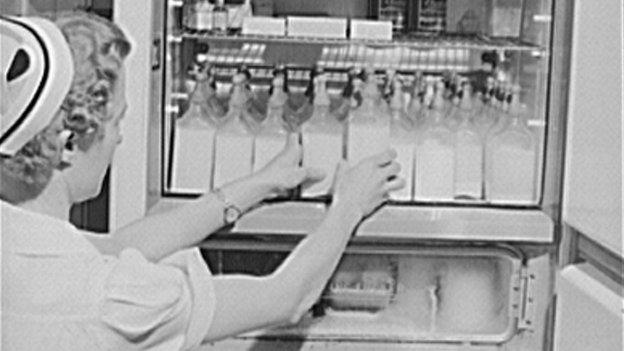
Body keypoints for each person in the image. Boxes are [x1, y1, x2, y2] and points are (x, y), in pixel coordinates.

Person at [0, 12, 404, 351]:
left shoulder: (23, 243)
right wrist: (349, 205)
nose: (120, 138)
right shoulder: (114, 299)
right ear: (68, 143)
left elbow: (117, 247)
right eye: (116, 121)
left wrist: (258, 185)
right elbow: (286, 298)